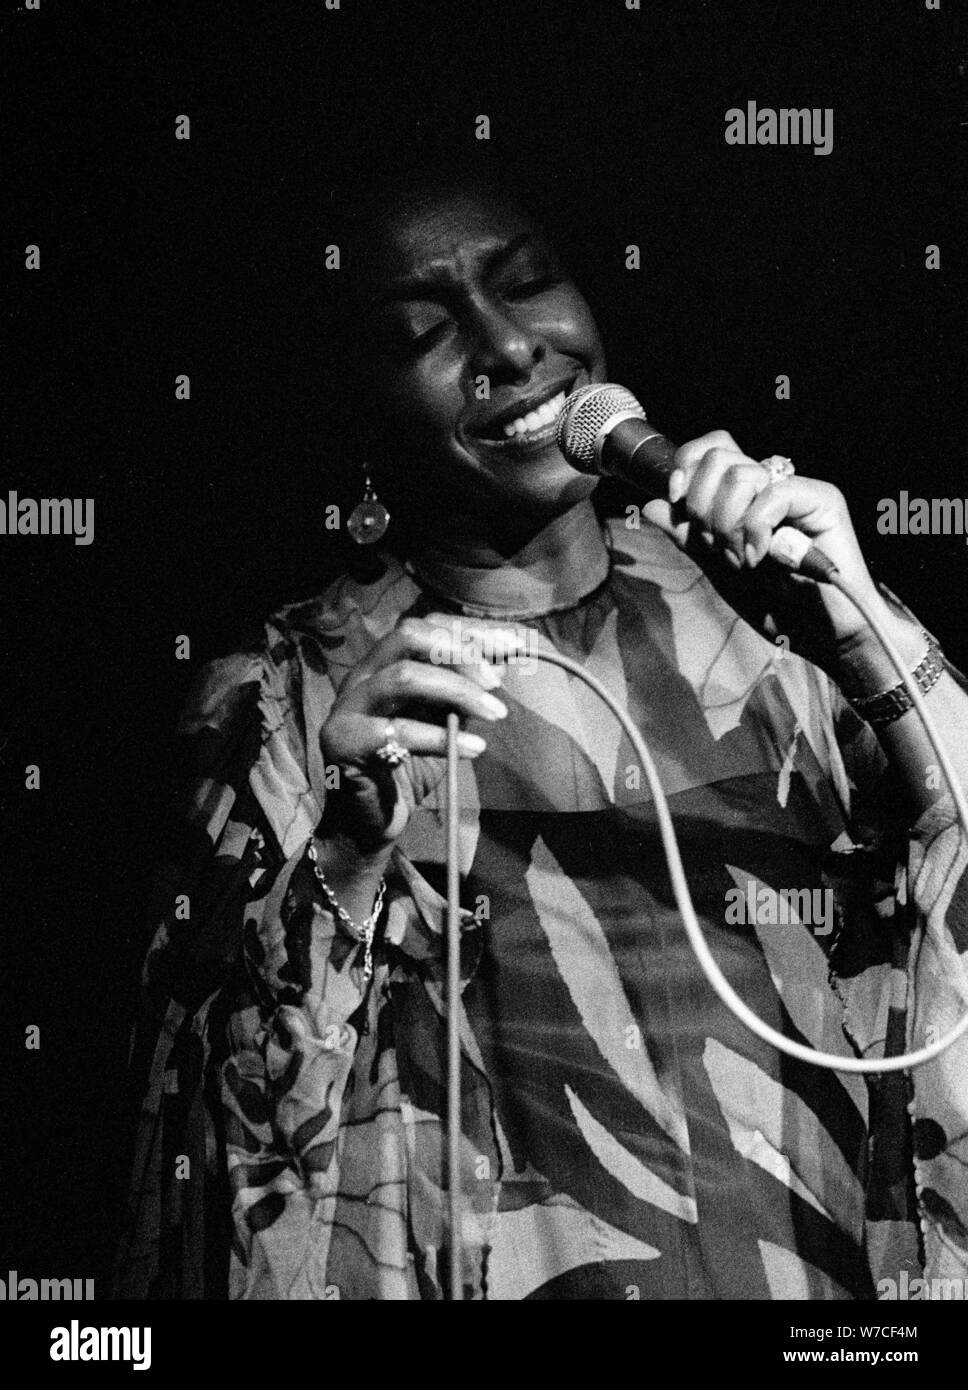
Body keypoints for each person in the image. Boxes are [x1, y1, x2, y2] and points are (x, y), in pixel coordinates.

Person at [114, 166, 968, 1301]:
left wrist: (866, 628)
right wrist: (347, 854)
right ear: (356, 409)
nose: (510, 346)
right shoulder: (289, 696)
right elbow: (212, 1163)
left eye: (528, 284)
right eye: (423, 329)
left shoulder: (771, 632)